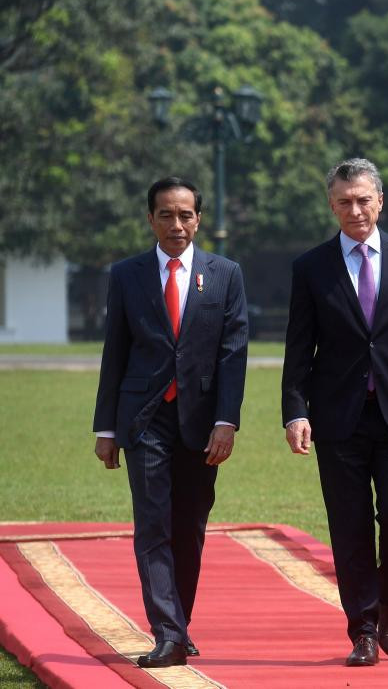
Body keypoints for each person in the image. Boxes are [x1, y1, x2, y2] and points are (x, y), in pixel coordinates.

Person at [281, 157, 388, 668]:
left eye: (362, 200)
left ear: (380, 202)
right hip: (337, 417)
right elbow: (298, 348)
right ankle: (364, 629)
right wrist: (295, 411)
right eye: (343, 202)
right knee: (350, 525)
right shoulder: (311, 267)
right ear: (331, 206)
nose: (354, 210)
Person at [92, 177, 248, 668]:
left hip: (202, 424)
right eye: (166, 214)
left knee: (190, 526)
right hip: (143, 420)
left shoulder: (225, 274)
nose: (176, 224)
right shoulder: (127, 274)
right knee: (153, 526)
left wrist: (227, 421)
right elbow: (114, 352)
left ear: (198, 219)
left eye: (185, 215)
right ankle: (168, 632)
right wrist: (106, 429)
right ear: (150, 219)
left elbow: (233, 355)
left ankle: (179, 624)